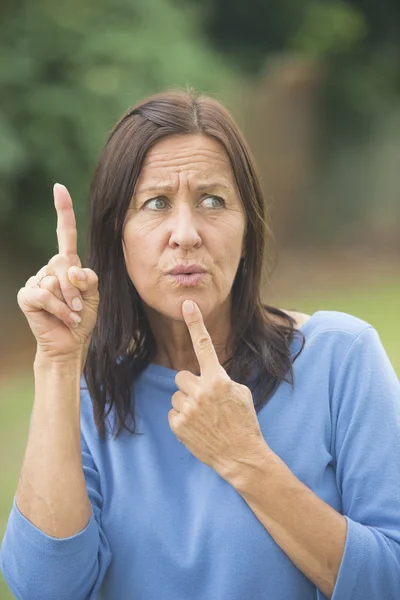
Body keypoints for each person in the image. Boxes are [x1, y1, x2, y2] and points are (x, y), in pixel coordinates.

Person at [1, 89, 399, 600]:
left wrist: (245, 458)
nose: (185, 233)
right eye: (156, 203)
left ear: (247, 228)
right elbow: (44, 588)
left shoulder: (341, 358)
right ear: (117, 234)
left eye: (212, 201)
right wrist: (57, 365)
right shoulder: (85, 400)